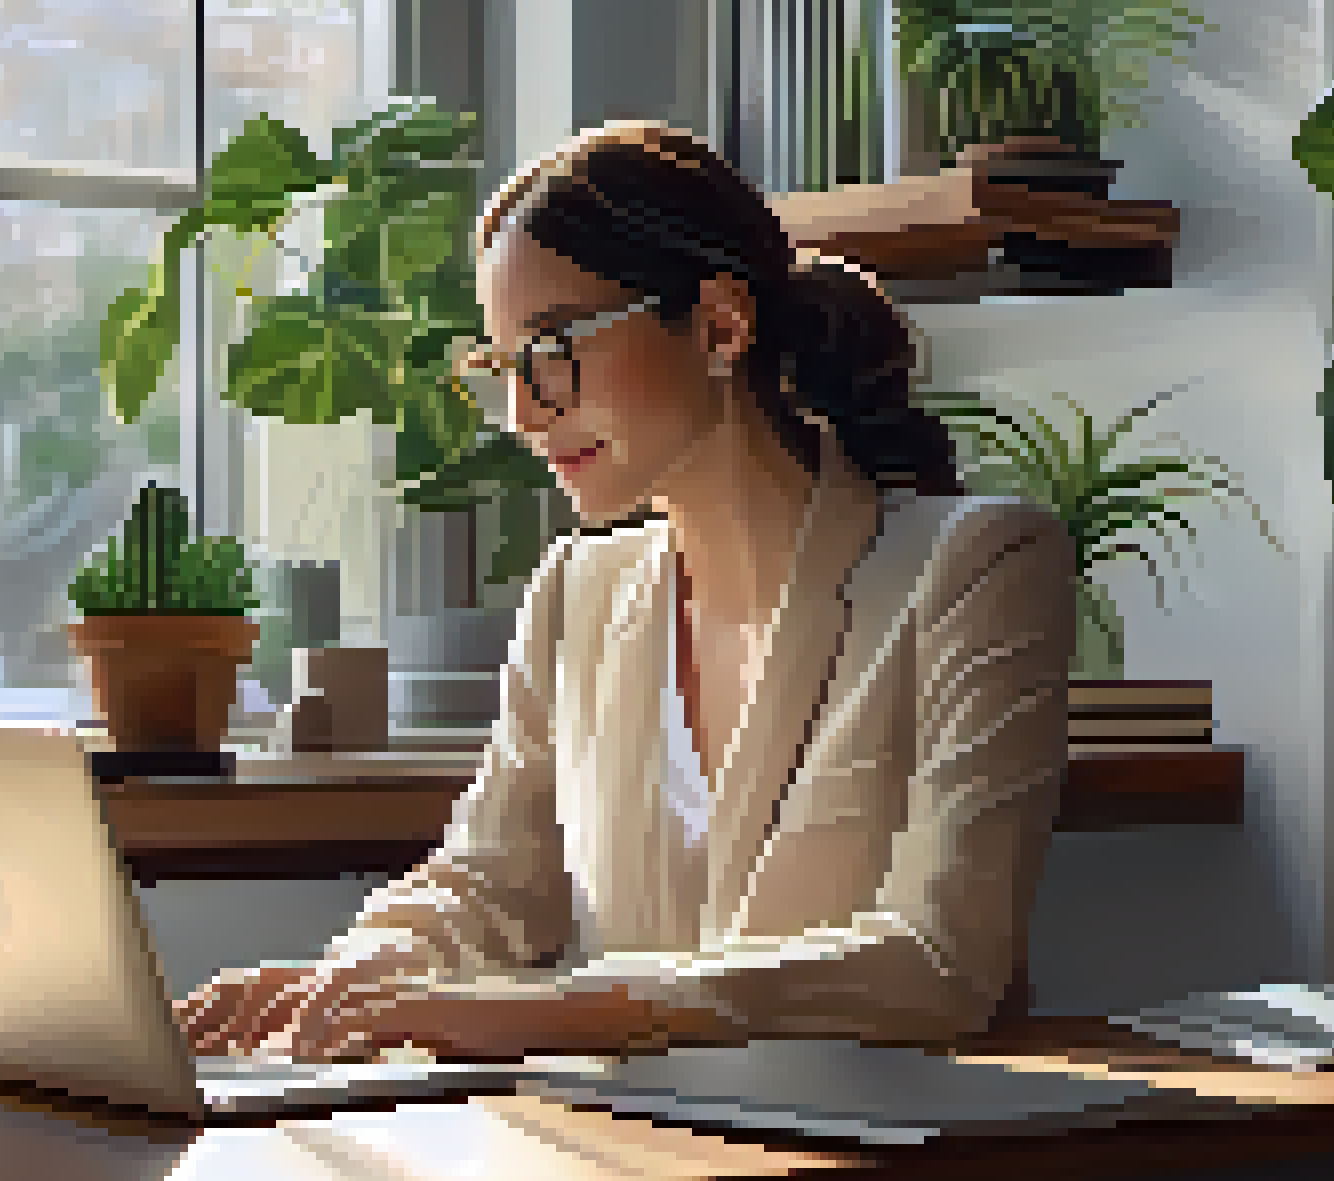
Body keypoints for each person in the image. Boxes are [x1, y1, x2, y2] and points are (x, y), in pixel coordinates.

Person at [175, 121, 1074, 1063]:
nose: (524, 413)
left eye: (553, 347)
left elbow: (941, 963)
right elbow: (489, 880)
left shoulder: (976, 566)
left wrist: (560, 1012)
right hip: (621, 1149)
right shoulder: (580, 588)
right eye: (505, 367)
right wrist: (364, 974)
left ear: (722, 324)